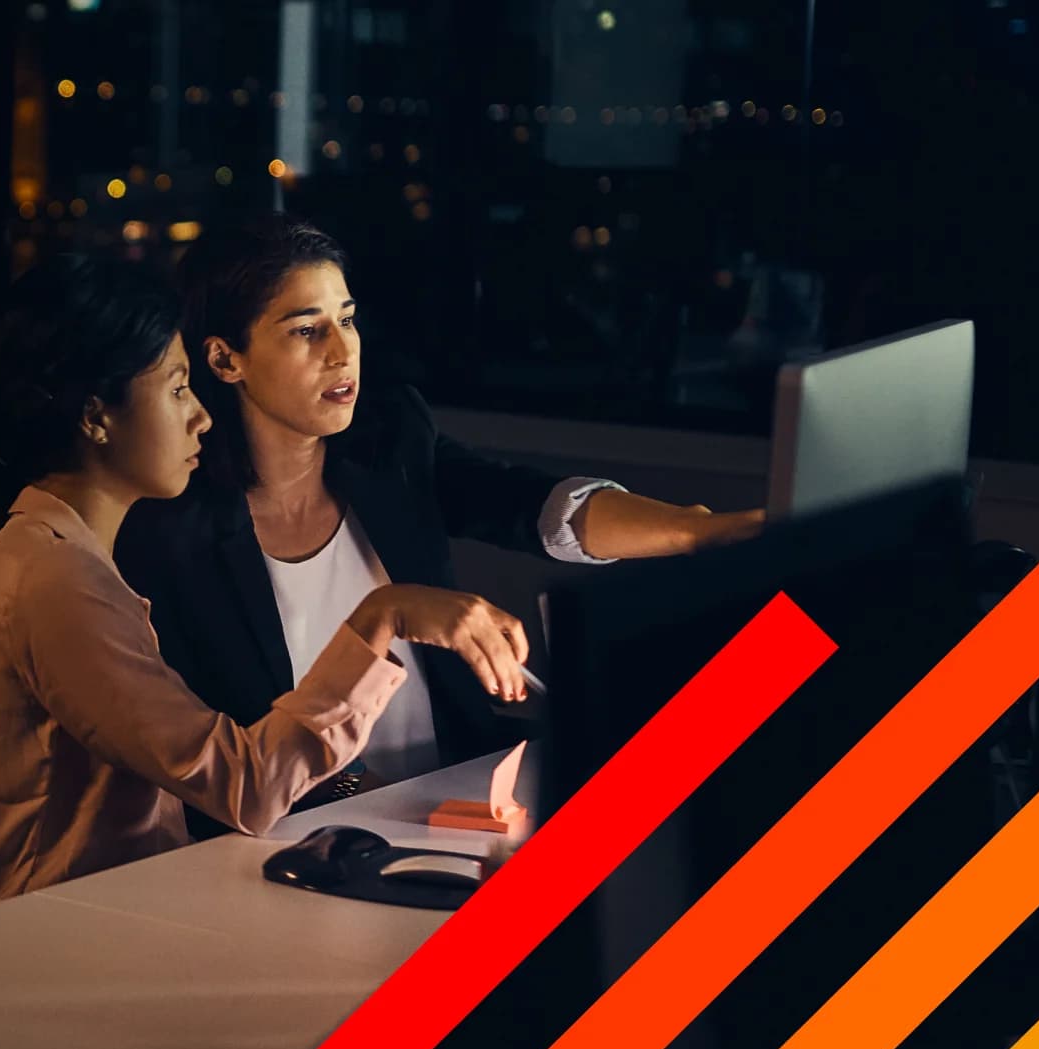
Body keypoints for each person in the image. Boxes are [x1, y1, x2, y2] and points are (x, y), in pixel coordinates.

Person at [0, 253, 524, 916]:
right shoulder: (55, 582)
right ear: (96, 417)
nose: (202, 417)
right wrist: (382, 617)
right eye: (178, 388)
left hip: (126, 911)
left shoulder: (67, 555)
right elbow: (245, 788)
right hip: (58, 937)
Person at [114, 215, 761, 822]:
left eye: (348, 320)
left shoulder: (390, 439)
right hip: (306, 834)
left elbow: (531, 505)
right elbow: (229, 749)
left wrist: (695, 531)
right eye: (306, 330)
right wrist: (374, 804)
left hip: (455, 792)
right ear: (226, 360)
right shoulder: (173, 531)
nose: (343, 352)